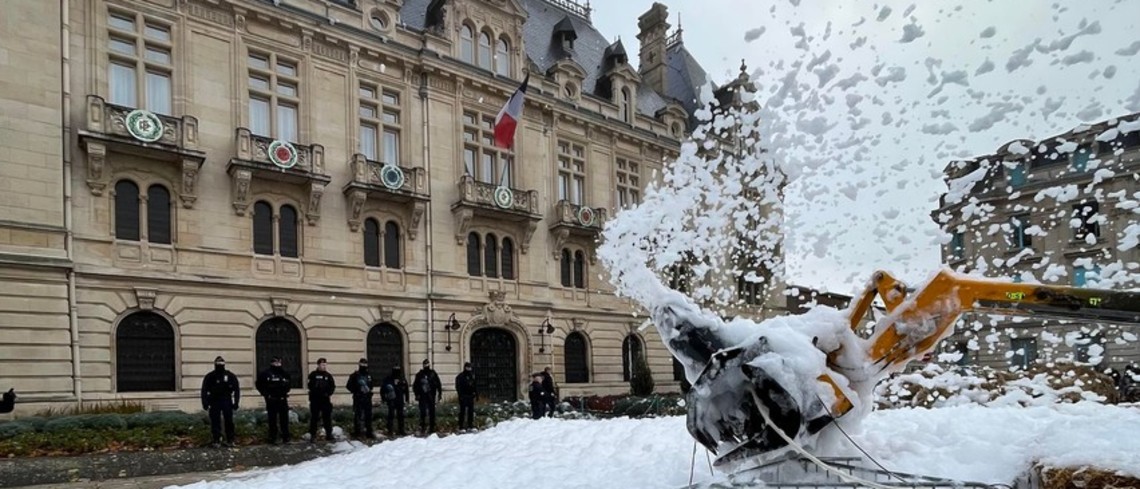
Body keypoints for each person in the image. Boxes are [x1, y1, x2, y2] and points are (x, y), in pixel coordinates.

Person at [200, 356, 240, 447]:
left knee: (229, 421)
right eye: (218, 364)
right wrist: (205, 402)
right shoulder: (210, 376)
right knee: (215, 421)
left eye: (221, 364)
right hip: (214, 400)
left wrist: (236, 402)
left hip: (226, 400)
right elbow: (204, 390)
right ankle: (216, 440)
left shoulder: (230, 375)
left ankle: (230, 439)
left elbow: (236, 389)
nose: (219, 366)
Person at [255, 356, 292, 444]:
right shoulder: (266, 374)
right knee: (272, 420)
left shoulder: (284, 373)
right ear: (272, 363)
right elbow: (259, 384)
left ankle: (286, 437)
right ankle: (273, 437)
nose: (278, 364)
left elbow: (289, 383)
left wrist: (285, 391)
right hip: (272, 399)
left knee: (284, 420)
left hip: (282, 399)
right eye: (276, 363)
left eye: (279, 363)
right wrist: (265, 394)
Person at [306, 357, 336, 443]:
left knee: (327, 418)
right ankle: (313, 435)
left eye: (325, 365)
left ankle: (329, 434)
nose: (324, 366)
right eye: (322, 364)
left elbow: (332, 386)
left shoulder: (328, 375)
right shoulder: (313, 375)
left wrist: (328, 393)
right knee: (314, 418)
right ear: (318, 365)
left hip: (325, 400)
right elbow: (310, 385)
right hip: (315, 400)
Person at [346, 358, 375, 439]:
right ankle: (358, 432)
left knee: (368, 416)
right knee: (358, 416)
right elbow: (349, 386)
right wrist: (357, 390)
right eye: (362, 364)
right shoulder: (355, 375)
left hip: (367, 398)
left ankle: (369, 432)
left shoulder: (369, 375)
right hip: (358, 398)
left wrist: (368, 391)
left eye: (365, 364)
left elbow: (371, 385)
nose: (364, 366)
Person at [412, 359, 442, 434]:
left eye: (427, 364)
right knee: (423, 412)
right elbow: (415, 386)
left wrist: (440, 394)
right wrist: (417, 394)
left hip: (431, 395)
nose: (426, 365)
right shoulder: (419, 374)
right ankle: (422, 427)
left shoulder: (433, 373)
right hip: (422, 396)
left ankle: (432, 427)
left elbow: (438, 384)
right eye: (425, 364)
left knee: (432, 412)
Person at [382, 366, 409, 436]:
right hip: (392, 399)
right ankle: (390, 430)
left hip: (399, 399)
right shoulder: (389, 379)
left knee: (400, 415)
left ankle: (401, 430)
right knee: (391, 415)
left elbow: (406, 389)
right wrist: (384, 398)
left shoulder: (402, 378)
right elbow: (383, 388)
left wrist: (407, 398)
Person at [455, 362, 477, 432]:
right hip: (463, 396)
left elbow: (474, 385)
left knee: (471, 411)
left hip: (470, 396)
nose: (469, 369)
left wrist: (476, 394)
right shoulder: (460, 376)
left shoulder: (472, 376)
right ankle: (461, 426)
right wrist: (460, 395)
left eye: (470, 367)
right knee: (462, 412)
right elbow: (458, 387)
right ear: (465, 367)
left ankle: (470, 425)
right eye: (468, 367)